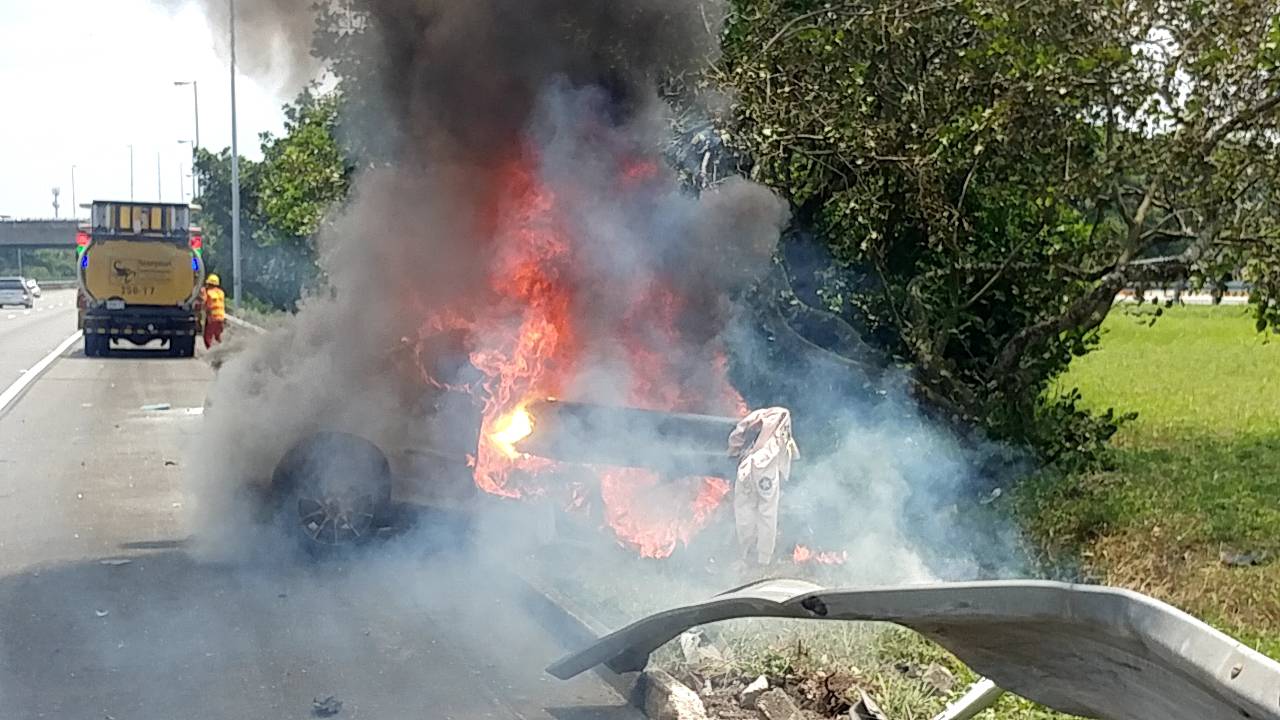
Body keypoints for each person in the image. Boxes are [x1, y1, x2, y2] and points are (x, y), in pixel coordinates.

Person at [727, 407, 800, 568]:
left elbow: (738, 432)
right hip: (766, 469)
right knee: (767, 513)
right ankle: (763, 559)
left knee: (744, 510)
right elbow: (788, 449)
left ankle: (746, 553)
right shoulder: (782, 419)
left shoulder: (762, 416)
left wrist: (734, 449)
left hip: (747, 467)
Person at [201, 273, 226, 350]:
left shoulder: (208, 293)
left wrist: (203, 292)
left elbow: (203, 302)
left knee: (207, 337)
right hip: (221, 318)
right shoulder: (221, 293)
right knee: (218, 336)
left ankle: (211, 352)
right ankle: (222, 350)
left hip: (212, 318)